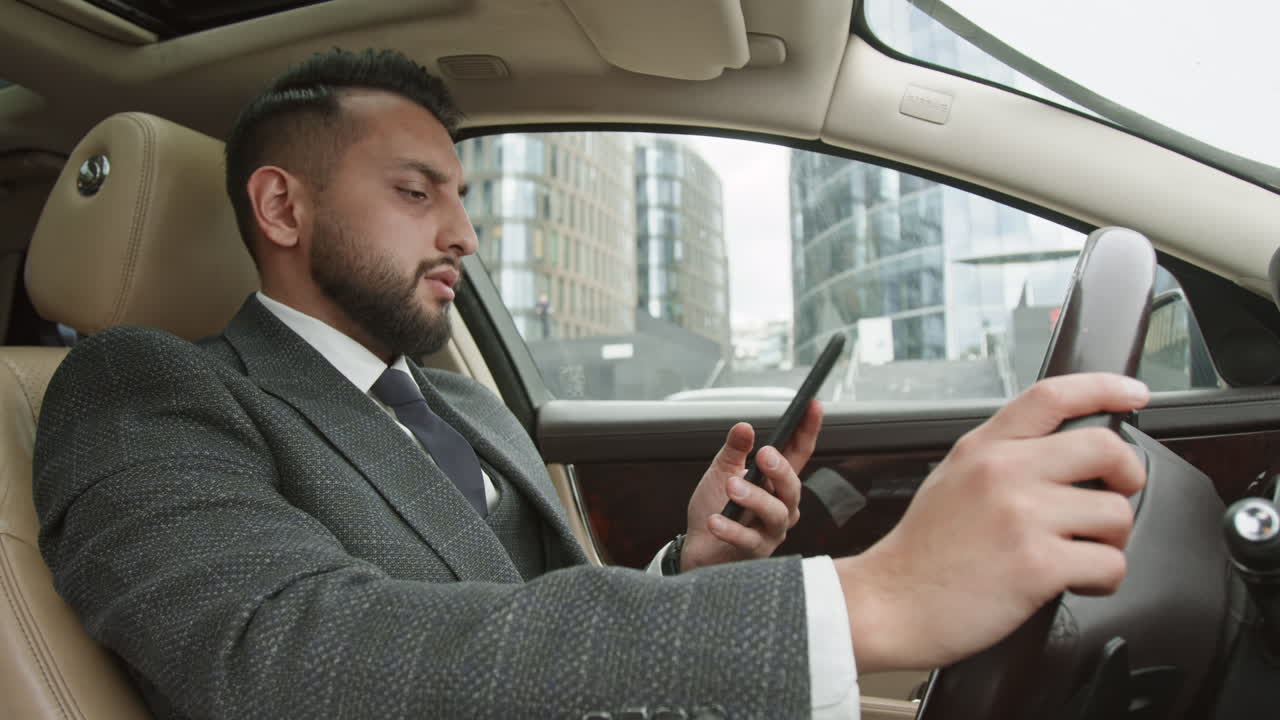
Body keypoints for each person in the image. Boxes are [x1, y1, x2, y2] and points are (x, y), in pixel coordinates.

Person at [33, 49, 1148, 719]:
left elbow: (526, 618)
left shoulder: (457, 402)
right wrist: (873, 600)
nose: (465, 233)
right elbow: (278, 655)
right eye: (418, 194)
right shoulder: (146, 387)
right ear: (281, 210)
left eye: (464, 196)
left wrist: (687, 567)